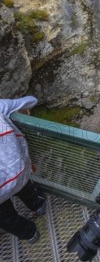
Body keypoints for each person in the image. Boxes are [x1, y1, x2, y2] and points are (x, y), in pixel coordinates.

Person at [0, 96, 46, 244]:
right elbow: (32, 100)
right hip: (14, 171)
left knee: (5, 217)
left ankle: (30, 234)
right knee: (24, 186)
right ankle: (39, 206)